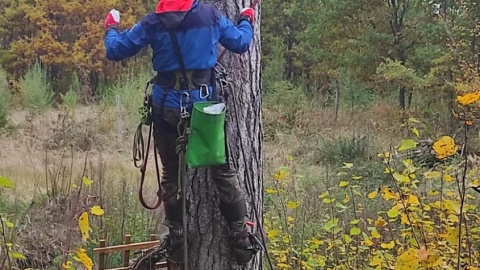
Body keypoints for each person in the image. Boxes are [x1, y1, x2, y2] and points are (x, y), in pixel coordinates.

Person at [103, 0, 256, 266]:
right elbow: (241, 43)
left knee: (171, 174)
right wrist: (246, 18)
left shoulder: (152, 22)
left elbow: (114, 50)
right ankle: (240, 234)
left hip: (167, 110)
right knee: (221, 169)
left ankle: (177, 238)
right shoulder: (210, 16)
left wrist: (112, 26)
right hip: (205, 107)